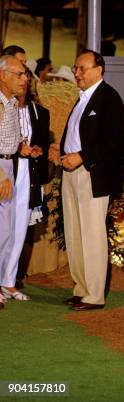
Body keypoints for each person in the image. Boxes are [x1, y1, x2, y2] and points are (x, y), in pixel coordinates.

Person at [48, 49, 124, 311]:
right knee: (74, 233)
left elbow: (113, 140)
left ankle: (94, 295)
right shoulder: (81, 99)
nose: (77, 73)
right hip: (70, 171)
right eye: (76, 68)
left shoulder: (109, 98)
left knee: (91, 234)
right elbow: (77, 134)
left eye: (82, 68)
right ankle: (80, 288)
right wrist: (61, 151)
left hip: (92, 174)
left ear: (99, 70)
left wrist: (82, 157)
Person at [1, 68, 50, 302]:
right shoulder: (4, 105)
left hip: (22, 173)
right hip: (7, 169)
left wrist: (30, 150)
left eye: (26, 76)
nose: (25, 80)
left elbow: (21, 141)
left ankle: (7, 281)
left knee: (15, 228)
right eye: (19, 74)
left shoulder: (34, 111)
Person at [0, 55, 28, 310]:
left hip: (9, 164)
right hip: (1, 167)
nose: (25, 78)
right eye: (19, 74)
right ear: (3, 75)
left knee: (6, 231)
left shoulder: (11, 103)